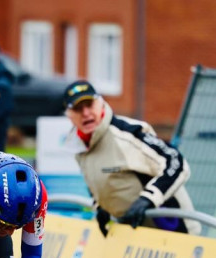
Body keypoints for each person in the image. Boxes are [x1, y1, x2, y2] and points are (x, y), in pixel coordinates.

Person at [62, 80, 197, 235]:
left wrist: (148, 199)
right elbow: (97, 182)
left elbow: (176, 162)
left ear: (100, 104)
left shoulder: (126, 133)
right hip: (134, 238)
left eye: (90, 105)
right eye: (78, 109)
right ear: (69, 115)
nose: (86, 113)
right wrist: (100, 207)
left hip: (174, 231)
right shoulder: (79, 147)